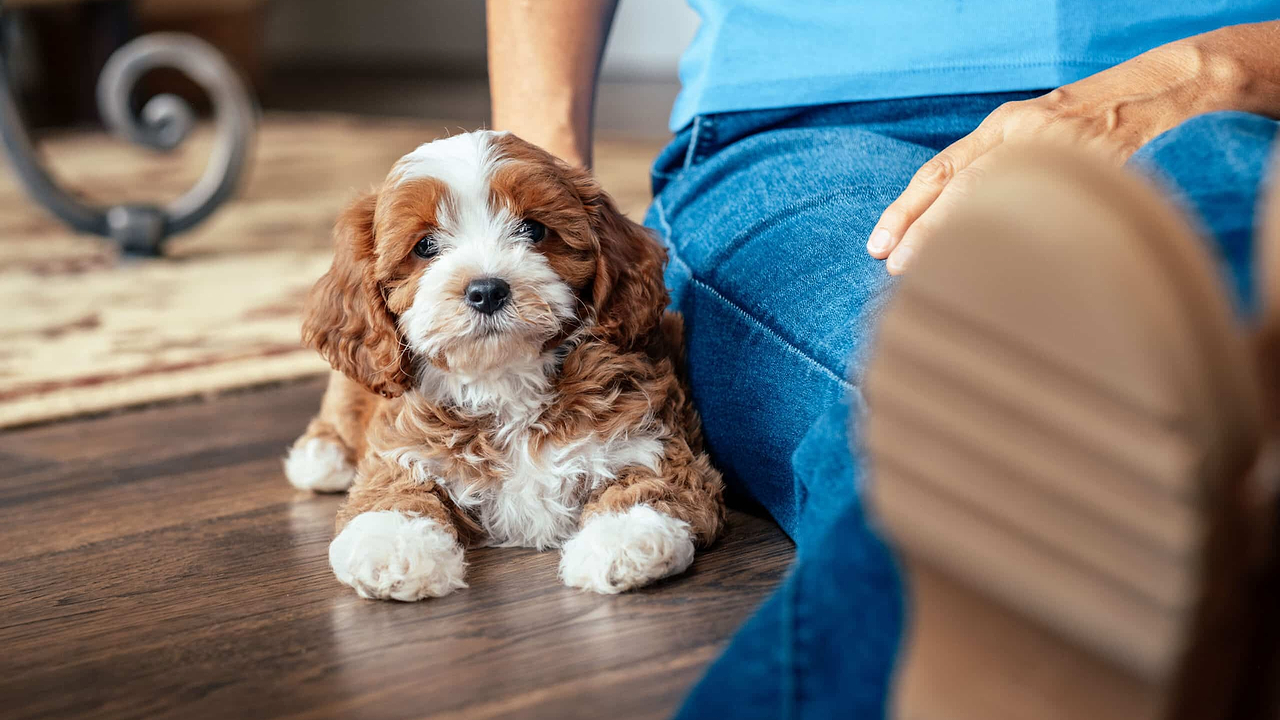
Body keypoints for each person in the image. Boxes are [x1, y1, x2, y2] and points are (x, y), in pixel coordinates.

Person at [486, 2, 1280, 717]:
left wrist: (1226, 68)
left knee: (1215, 337)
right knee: (969, 399)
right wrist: (537, 196)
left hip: (1227, 107)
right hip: (807, 126)